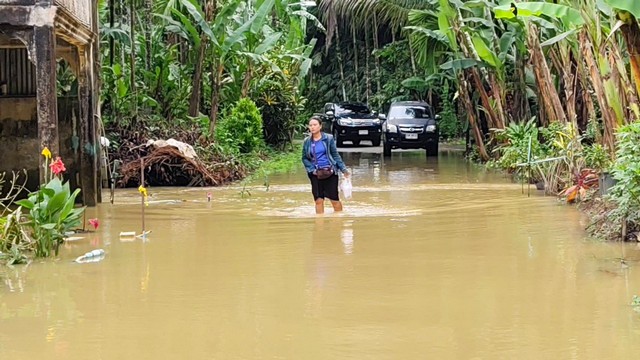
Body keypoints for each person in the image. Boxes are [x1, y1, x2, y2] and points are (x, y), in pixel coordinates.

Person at [302, 116, 350, 214]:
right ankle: (319, 224)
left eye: (315, 125)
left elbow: (335, 155)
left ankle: (339, 220)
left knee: (334, 200)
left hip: (330, 172)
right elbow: (304, 158)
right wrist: (311, 169)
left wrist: (344, 170)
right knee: (318, 200)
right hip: (315, 174)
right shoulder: (307, 141)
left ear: (320, 126)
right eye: (310, 125)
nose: (312, 127)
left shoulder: (328, 138)